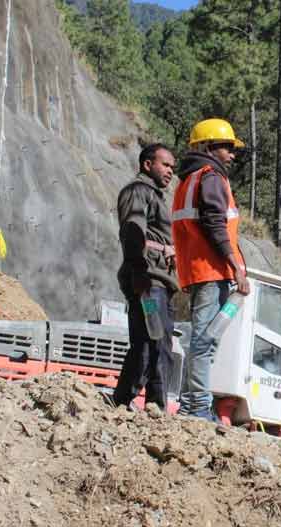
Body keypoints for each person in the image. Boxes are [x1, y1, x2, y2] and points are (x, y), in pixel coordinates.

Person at [172, 118, 249, 421]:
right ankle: (197, 408)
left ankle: (194, 404)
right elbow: (216, 226)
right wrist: (236, 268)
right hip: (212, 271)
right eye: (227, 147)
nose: (232, 154)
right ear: (207, 147)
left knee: (202, 340)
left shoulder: (188, 180)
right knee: (204, 342)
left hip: (198, 271)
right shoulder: (211, 177)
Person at [113, 143, 178, 409]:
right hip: (148, 283)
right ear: (147, 164)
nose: (170, 171)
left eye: (173, 167)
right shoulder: (138, 191)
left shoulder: (154, 195)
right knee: (153, 340)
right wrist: (139, 270)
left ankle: (132, 401)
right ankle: (148, 404)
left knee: (152, 341)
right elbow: (132, 231)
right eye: (165, 165)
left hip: (156, 280)